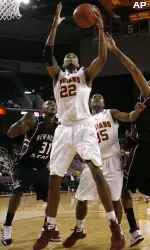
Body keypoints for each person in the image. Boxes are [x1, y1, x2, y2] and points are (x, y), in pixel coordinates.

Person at [33, 3, 125, 250]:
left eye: (74, 56)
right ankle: (49, 226)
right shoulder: (57, 76)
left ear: (79, 62)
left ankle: (114, 226)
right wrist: (54, 26)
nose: (71, 57)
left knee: (95, 171)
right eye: (68, 56)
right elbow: (46, 56)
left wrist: (98, 25)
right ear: (64, 63)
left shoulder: (86, 75)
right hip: (63, 128)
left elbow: (103, 58)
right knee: (54, 178)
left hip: (84, 126)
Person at [63, 93, 145, 249]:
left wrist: (137, 111)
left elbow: (128, 117)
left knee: (115, 199)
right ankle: (79, 229)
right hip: (93, 162)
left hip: (112, 160)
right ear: (90, 102)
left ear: (104, 102)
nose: (97, 98)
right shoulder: (84, 120)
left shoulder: (110, 113)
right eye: (94, 97)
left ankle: (117, 233)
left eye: (100, 97)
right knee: (81, 198)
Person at [105, 32, 150, 246]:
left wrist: (115, 50)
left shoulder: (148, 95)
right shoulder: (140, 108)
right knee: (145, 189)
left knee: (123, 187)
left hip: (144, 149)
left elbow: (134, 70)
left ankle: (134, 230)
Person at [1, 100, 61, 247]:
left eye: (54, 104)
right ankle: (7, 227)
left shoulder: (59, 127)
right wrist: (22, 121)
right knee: (17, 192)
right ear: (42, 109)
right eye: (48, 104)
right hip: (25, 165)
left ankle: (46, 229)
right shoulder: (35, 122)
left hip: (42, 168)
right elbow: (10, 134)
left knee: (53, 199)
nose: (52, 105)